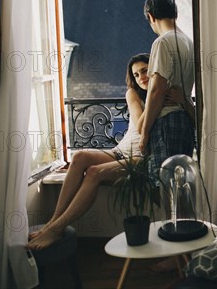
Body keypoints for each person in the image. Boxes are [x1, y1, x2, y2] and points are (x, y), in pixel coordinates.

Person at [27, 53, 182, 250]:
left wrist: (169, 96)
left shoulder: (167, 93)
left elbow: (177, 122)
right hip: (120, 151)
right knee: (80, 156)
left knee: (94, 173)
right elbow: (140, 123)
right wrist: (155, 97)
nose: (141, 77)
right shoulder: (133, 94)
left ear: (155, 71)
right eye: (136, 75)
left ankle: (57, 228)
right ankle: (53, 221)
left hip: (141, 158)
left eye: (145, 71)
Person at [139, 0, 195, 176]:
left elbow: (156, 91)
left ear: (151, 16)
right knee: (182, 183)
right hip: (184, 120)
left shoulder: (163, 42)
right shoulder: (189, 42)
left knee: (162, 183)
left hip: (165, 121)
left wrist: (145, 133)